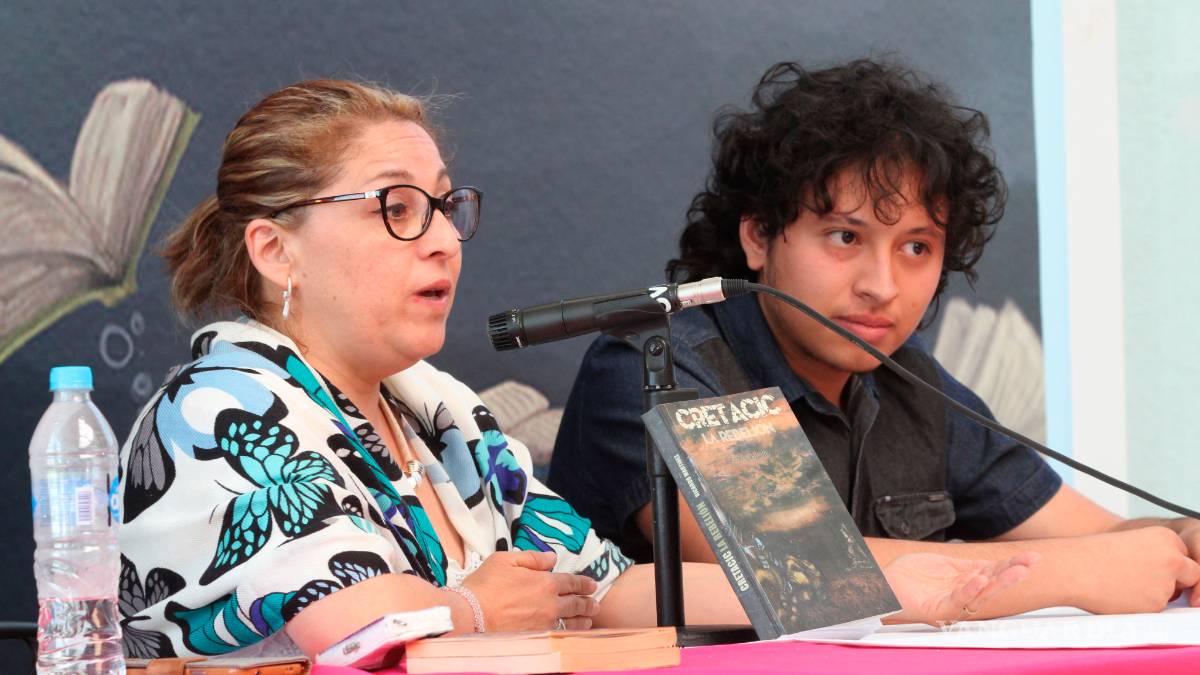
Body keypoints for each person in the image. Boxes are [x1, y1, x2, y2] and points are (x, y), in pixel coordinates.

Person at [116, 78, 1035, 660]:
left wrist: (865, 596)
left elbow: (606, 588)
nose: (442, 240)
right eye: (397, 209)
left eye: (445, 207)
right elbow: (360, 625)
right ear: (275, 249)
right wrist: (478, 608)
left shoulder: (438, 411)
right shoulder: (221, 407)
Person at [548, 59, 1200, 619]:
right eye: (846, 237)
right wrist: (1073, 572)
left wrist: (1183, 540)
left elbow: (1107, 534)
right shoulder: (665, 362)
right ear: (758, 236)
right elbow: (793, 569)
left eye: (916, 247)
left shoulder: (914, 388)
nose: (882, 286)